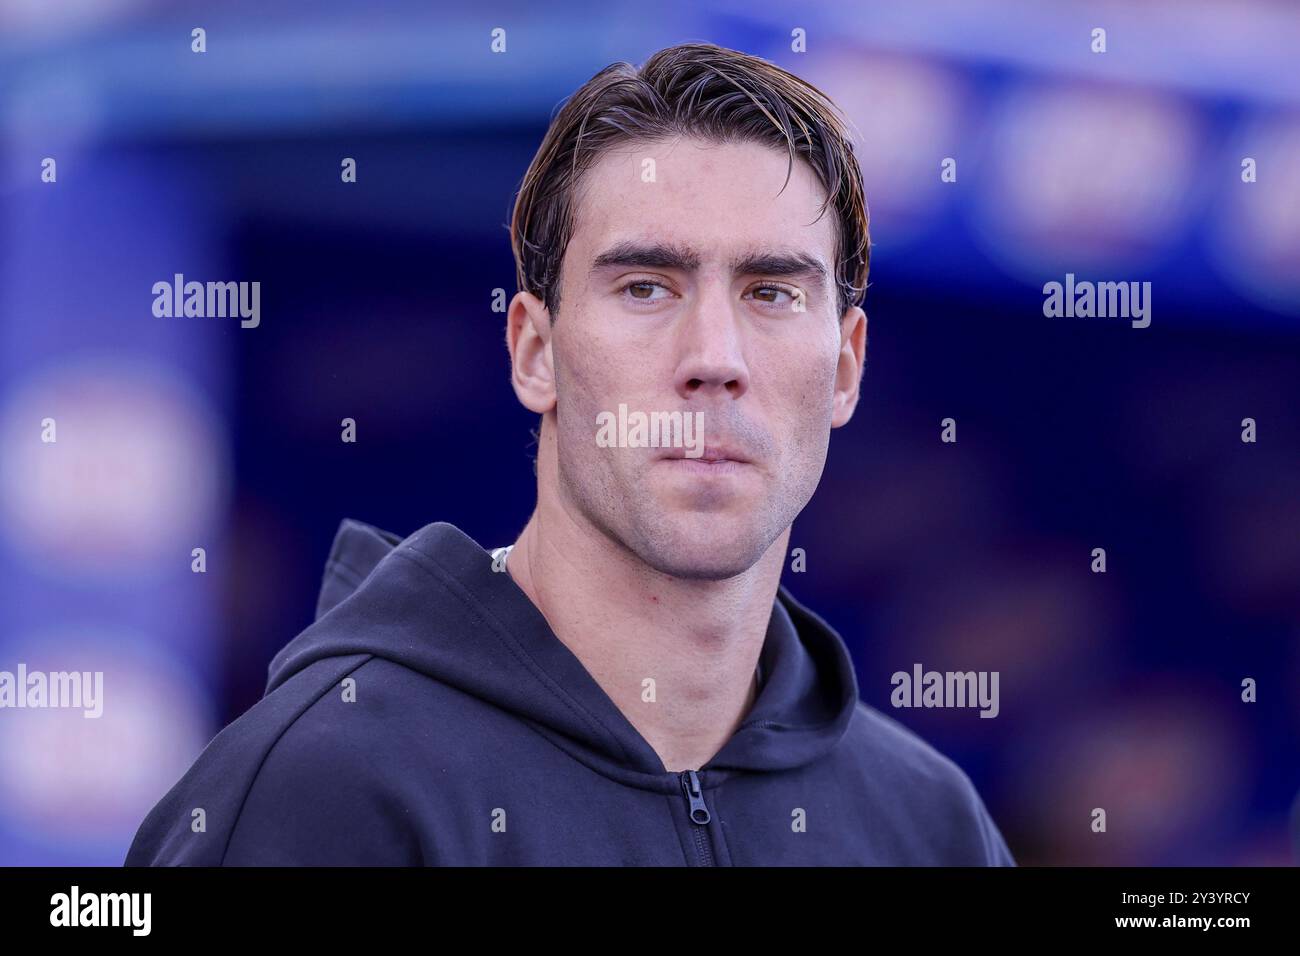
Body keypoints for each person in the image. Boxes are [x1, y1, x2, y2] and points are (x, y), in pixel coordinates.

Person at [126, 41, 1015, 866]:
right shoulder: (324, 792)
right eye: (645, 286)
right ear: (535, 353)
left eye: (772, 291)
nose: (715, 358)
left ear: (846, 369)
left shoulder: (929, 826)